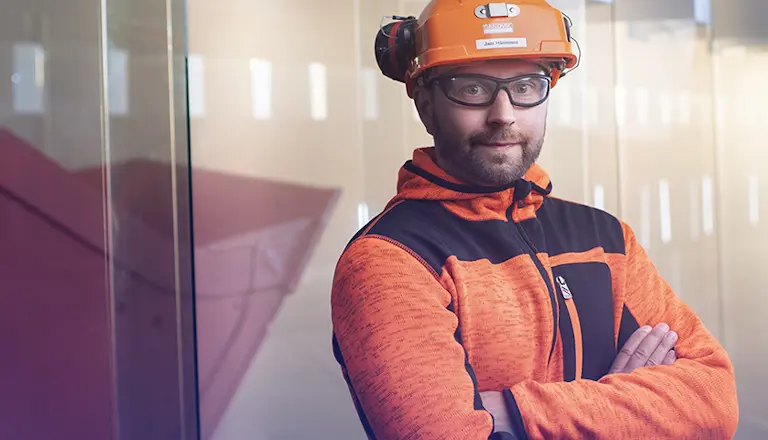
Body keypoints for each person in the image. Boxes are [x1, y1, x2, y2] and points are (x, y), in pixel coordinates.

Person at [330, 1, 739, 439]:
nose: (503, 113)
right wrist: (629, 410)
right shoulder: (392, 260)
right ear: (425, 102)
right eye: (472, 88)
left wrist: (511, 412)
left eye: (526, 85)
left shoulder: (606, 239)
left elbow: (716, 398)